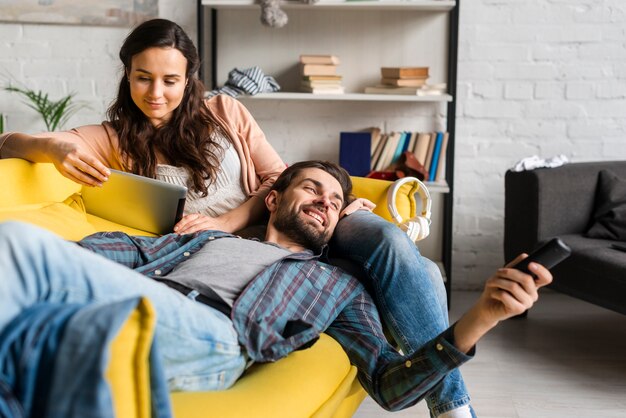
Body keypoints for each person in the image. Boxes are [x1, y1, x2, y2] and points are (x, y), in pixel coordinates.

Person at [0, 18, 467, 416]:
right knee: (418, 272)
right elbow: (8, 144)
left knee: (391, 247)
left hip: (280, 220)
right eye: (143, 78)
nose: (156, 93)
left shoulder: (224, 111)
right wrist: (52, 145)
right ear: (127, 76)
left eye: (170, 80)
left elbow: (278, 177)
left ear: (189, 79)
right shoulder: (116, 138)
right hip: (224, 256)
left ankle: (451, 406)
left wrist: (229, 223)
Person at [0, 160, 553, 414]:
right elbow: (110, 250)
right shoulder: (201, 240)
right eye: (311, 189)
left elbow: (388, 385)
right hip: (133, 299)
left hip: (213, 334)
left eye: (335, 202)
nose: (324, 202)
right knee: (20, 253)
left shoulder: (334, 283)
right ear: (273, 199)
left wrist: (482, 315)